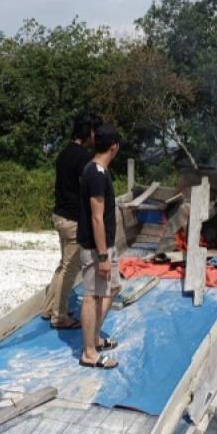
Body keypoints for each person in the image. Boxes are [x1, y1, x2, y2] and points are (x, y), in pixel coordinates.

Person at [42, 114, 97, 328]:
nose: (95, 136)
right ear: (88, 132)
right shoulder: (82, 157)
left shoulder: (64, 153)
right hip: (73, 220)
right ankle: (60, 316)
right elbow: (88, 190)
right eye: (94, 131)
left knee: (63, 265)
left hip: (60, 216)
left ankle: (49, 308)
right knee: (70, 269)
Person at [77, 123, 122, 369]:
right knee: (92, 297)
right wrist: (103, 256)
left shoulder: (100, 171)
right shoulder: (95, 174)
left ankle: (94, 337)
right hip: (96, 249)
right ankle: (89, 352)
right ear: (114, 147)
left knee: (113, 288)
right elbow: (97, 218)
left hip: (105, 246)